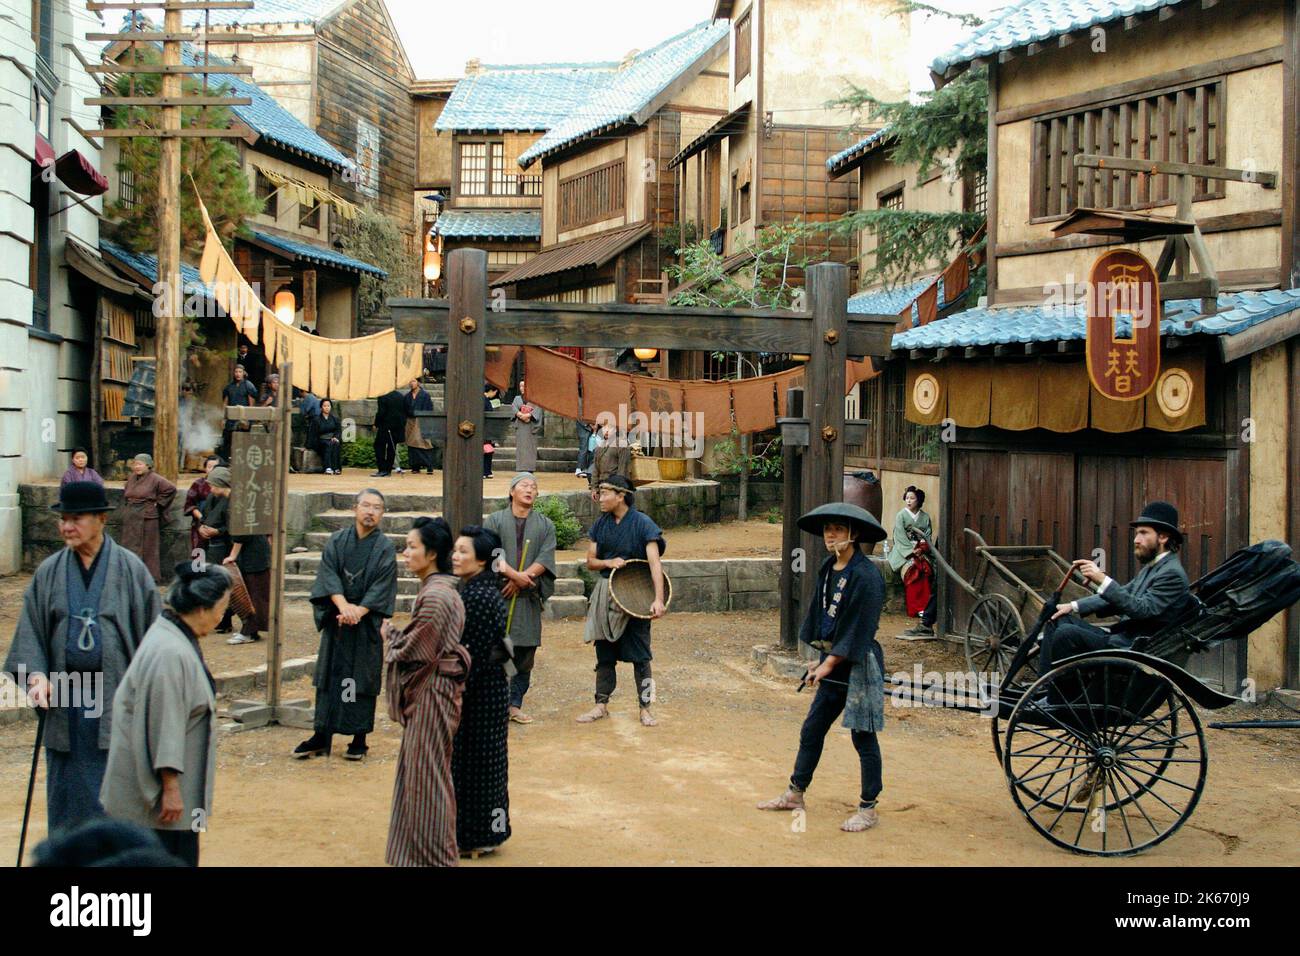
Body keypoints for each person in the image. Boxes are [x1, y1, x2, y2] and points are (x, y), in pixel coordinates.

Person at [3, 481, 160, 833]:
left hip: (117, 699)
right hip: (66, 700)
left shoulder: (131, 571)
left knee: (117, 791)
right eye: (63, 520)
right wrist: (36, 677)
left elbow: (155, 640)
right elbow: (31, 632)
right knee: (68, 792)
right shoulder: (49, 572)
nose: (66, 527)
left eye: (76, 519)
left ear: (102, 519)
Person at [758, 502, 888, 833]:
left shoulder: (867, 575)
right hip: (835, 661)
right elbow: (826, 616)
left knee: (863, 737)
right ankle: (795, 793)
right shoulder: (830, 567)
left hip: (859, 664)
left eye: (839, 529)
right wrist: (821, 655)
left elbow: (860, 626)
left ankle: (868, 808)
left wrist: (830, 662)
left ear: (854, 534)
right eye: (828, 529)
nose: (831, 535)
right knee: (813, 728)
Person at [100, 562, 227, 866]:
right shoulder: (171, 652)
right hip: (159, 805)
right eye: (221, 608)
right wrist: (170, 789)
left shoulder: (172, 633)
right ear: (200, 608)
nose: (222, 616)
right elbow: (165, 724)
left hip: (162, 800)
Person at [384, 517, 470, 867]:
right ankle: (414, 856)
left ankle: (436, 859)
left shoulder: (435, 595)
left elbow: (414, 649)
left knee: (428, 778)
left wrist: (390, 638)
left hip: (433, 693)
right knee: (421, 773)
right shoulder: (438, 590)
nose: (405, 553)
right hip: (434, 692)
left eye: (412, 547)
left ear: (431, 553)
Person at [295, 489, 398, 760]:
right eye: (366, 505)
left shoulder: (384, 547)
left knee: (359, 679)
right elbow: (328, 575)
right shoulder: (337, 541)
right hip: (338, 620)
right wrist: (343, 607)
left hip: (364, 624)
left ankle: (358, 737)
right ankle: (322, 735)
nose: (370, 511)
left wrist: (359, 611)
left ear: (382, 513)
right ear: (355, 508)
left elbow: (382, 586)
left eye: (377, 507)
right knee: (331, 677)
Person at [1043, 501, 1192, 671]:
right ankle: (1046, 688)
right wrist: (1073, 606)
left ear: (1163, 537)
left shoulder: (1172, 574)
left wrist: (1102, 580)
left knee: (1066, 634)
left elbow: (1142, 609)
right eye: (1136, 534)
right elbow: (1123, 595)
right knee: (1057, 619)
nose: (1136, 540)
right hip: (1121, 639)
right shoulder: (1154, 567)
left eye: (1143, 533)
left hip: (1133, 649)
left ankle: (1054, 694)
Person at [577, 474, 666, 727]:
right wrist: (608, 562)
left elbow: (654, 563)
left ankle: (646, 707)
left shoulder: (642, 523)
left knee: (641, 657)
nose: (600, 498)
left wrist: (658, 599)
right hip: (607, 593)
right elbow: (590, 561)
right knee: (604, 654)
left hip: (637, 597)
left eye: (605, 493)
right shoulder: (600, 525)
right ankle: (600, 704)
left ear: (621, 496)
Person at [450, 524, 512, 857]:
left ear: (482, 559)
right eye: (455, 550)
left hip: (478, 690)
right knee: (483, 762)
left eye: (463, 551)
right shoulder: (481, 588)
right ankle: (487, 831)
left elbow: (469, 654)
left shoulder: (478, 595)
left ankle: (475, 835)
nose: (456, 556)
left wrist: (454, 691)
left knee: (476, 763)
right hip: (486, 687)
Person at [483, 473, 558, 724]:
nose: (530, 490)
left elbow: (546, 557)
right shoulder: (494, 521)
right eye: (524, 486)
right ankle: (495, 703)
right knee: (496, 650)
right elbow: (489, 553)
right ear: (512, 492)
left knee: (524, 652)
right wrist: (515, 576)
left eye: (534, 487)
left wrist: (523, 580)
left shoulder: (546, 525)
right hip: (499, 595)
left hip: (527, 597)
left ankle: (515, 704)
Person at [207, 466, 271, 646]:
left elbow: (242, 533)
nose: (211, 489)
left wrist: (232, 555)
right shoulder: (233, 500)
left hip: (253, 553)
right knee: (248, 592)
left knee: (251, 594)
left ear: (221, 484)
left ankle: (249, 631)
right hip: (251, 551)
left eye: (212, 485)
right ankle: (249, 629)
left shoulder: (238, 502)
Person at [120, 453, 177, 582]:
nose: (137, 467)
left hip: (147, 516)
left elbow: (171, 489)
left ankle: (150, 577)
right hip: (131, 515)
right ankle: (131, 575)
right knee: (129, 545)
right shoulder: (132, 478)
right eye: (135, 464)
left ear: (148, 465)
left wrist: (159, 502)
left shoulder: (156, 479)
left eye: (140, 464)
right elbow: (127, 493)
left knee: (149, 547)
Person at [889, 486, 936, 639]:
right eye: (907, 498)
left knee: (927, 569)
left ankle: (925, 607)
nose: (908, 501)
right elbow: (900, 536)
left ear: (919, 500)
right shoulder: (901, 516)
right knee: (913, 570)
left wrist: (922, 547)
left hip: (921, 550)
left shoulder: (925, 517)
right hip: (904, 552)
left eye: (912, 498)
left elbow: (927, 535)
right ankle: (916, 607)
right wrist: (912, 550)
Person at [220, 365, 259, 459]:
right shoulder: (229, 387)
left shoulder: (248, 385)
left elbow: (251, 403)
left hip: (244, 418)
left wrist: (248, 419)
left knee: (243, 441)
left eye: (240, 372)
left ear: (243, 373)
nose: (238, 374)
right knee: (227, 441)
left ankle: (243, 460)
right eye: (236, 372)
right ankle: (225, 461)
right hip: (231, 419)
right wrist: (223, 418)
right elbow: (225, 403)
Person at [183, 455, 220, 554]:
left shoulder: (225, 485)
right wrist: (202, 518)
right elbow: (190, 504)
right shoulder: (198, 484)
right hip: (200, 524)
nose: (212, 469)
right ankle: (197, 569)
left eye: (215, 467)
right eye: (209, 466)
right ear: (205, 469)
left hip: (219, 526)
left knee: (217, 557)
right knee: (199, 554)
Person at [588, 418, 631, 497]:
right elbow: (596, 470)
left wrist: (618, 488)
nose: (606, 430)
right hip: (602, 485)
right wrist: (594, 488)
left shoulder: (622, 445)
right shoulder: (599, 448)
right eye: (604, 428)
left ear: (615, 429)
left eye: (610, 428)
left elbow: (623, 469)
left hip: (616, 486)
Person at [404, 378, 436, 474]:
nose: (411, 383)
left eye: (413, 381)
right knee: (411, 443)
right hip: (410, 421)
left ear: (418, 382)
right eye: (410, 381)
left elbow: (429, 408)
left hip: (421, 420)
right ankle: (415, 466)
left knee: (423, 443)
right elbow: (405, 409)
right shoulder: (407, 396)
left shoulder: (425, 395)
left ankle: (429, 465)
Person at [374, 388, 407, 478]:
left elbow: (381, 412)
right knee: (392, 447)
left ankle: (382, 469)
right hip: (397, 427)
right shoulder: (401, 396)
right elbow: (405, 412)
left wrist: (376, 424)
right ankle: (388, 470)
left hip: (385, 426)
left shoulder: (383, 396)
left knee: (378, 446)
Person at [510, 382, 543, 473]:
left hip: (530, 426)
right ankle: (520, 467)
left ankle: (530, 467)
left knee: (530, 448)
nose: (522, 388)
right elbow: (514, 408)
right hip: (521, 426)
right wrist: (520, 414)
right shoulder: (517, 398)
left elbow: (538, 410)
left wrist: (529, 415)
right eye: (520, 386)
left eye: (524, 386)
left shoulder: (535, 399)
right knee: (521, 448)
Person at [309, 398, 343, 475]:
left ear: (331, 407)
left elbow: (338, 430)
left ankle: (336, 468)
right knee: (327, 444)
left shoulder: (335, 419)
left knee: (336, 444)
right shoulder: (316, 419)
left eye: (328, 406)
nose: (327, 407)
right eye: (324, 406)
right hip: (321, 440)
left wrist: (336, 437)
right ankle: (328, 467)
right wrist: (307, 445)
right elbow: (312, 433)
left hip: (332, 438)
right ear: (321, 407)